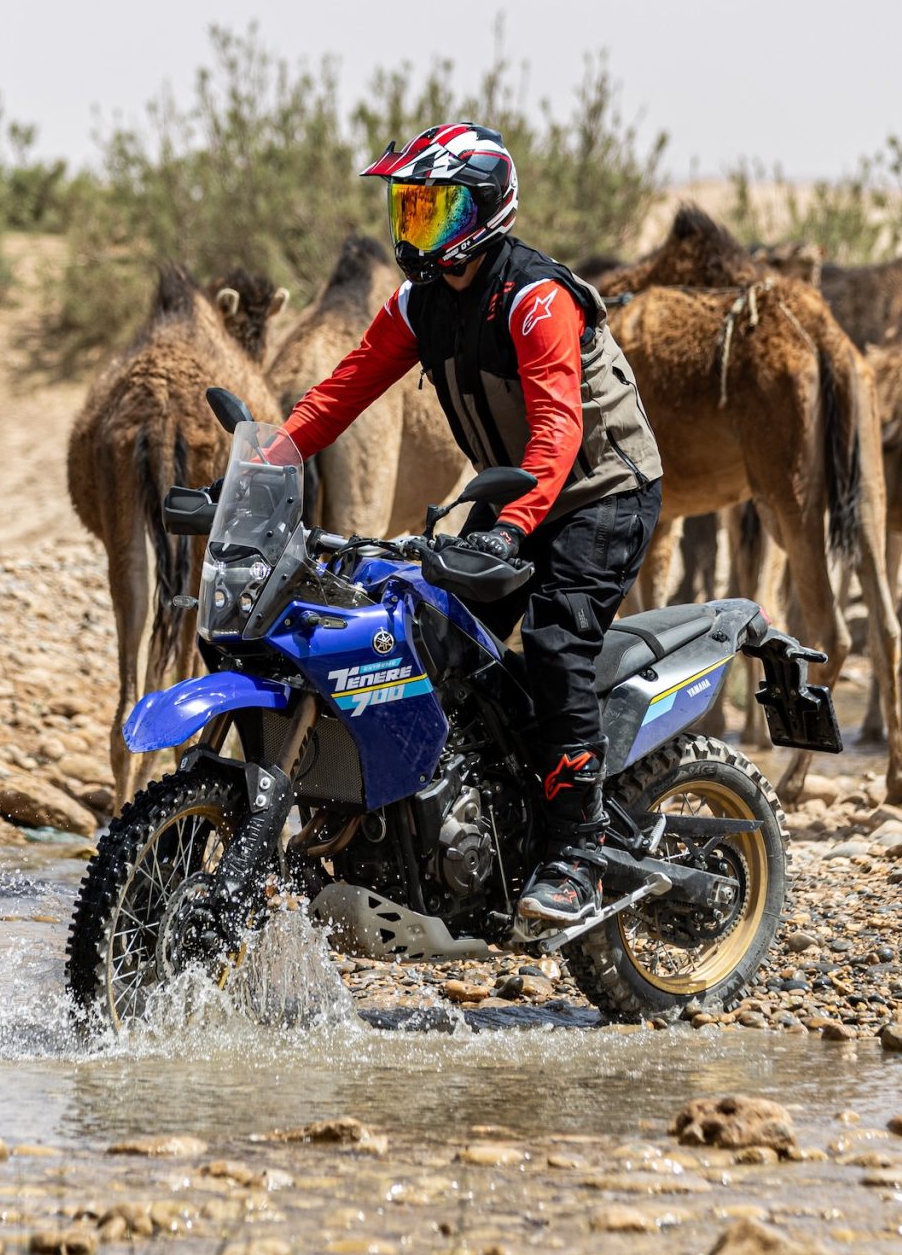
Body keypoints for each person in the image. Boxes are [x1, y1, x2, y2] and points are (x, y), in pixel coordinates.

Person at [280, 123, 664, 933]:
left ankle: (578, 853)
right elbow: (340, 392)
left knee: (558, 644)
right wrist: (260, 467)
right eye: (407, 208)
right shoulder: (419, 303)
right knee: (425, 627)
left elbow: (559, 432)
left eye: (434, 207)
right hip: (515, 487)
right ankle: (463, 817)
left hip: (602, 490)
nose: (414, 225)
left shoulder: (536, 300)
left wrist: (513, 527)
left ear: (485, 210)